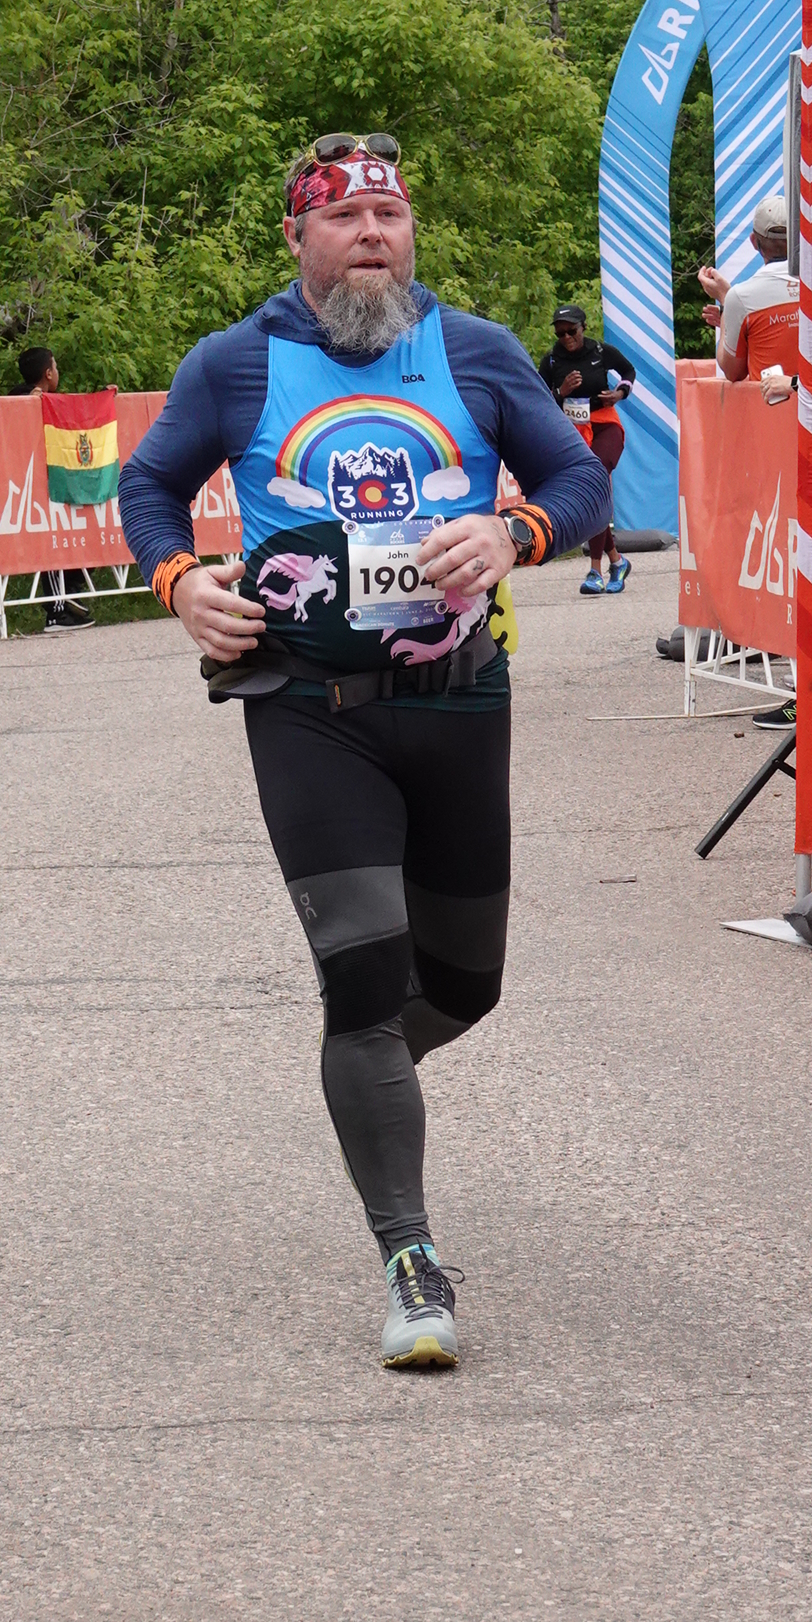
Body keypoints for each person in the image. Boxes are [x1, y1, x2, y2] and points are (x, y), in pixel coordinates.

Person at [118, 131, 609, 1371]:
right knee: (360, 978)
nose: (372, 234)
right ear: (299, 237)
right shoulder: (234, 363)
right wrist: (179, 580)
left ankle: (364, 1068)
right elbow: (147, 488)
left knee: (464, 985)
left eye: (389, 214)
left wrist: (516, 533)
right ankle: (410, 1257)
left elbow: (577, 478)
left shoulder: (477, 349)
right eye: (344, 218)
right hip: (307, 707)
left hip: (458, 698)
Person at [538, 305, 636, 594]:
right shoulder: (551, 360)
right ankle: (616, 561)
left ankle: (595, 570)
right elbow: (539, 398)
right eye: (561, 333)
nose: (567, 338)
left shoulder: (600, 351)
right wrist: (562, 392)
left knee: (596, 478)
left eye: (572, 331)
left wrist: (619, 393)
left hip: (605, 425)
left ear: (583, 327)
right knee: (590, 491)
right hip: (573, 432)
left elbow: (628, 370)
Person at [12, 342, 92, 626]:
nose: (58, 371)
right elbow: (10, 401)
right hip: (33, 485)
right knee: (52, 544)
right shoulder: (21, 398)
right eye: (55, 366)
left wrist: (106, 397)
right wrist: (27, 398)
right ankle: (57, 611)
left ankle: (72, 593)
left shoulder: (53, 401)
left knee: (84, 532)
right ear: (48, 373)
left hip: (63, 479)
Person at [697, 195, 799, 384]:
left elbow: (732, 371)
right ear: (797, 238)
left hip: (770, 403)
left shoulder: (741, 297)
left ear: (754, 241)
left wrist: (725, 299)